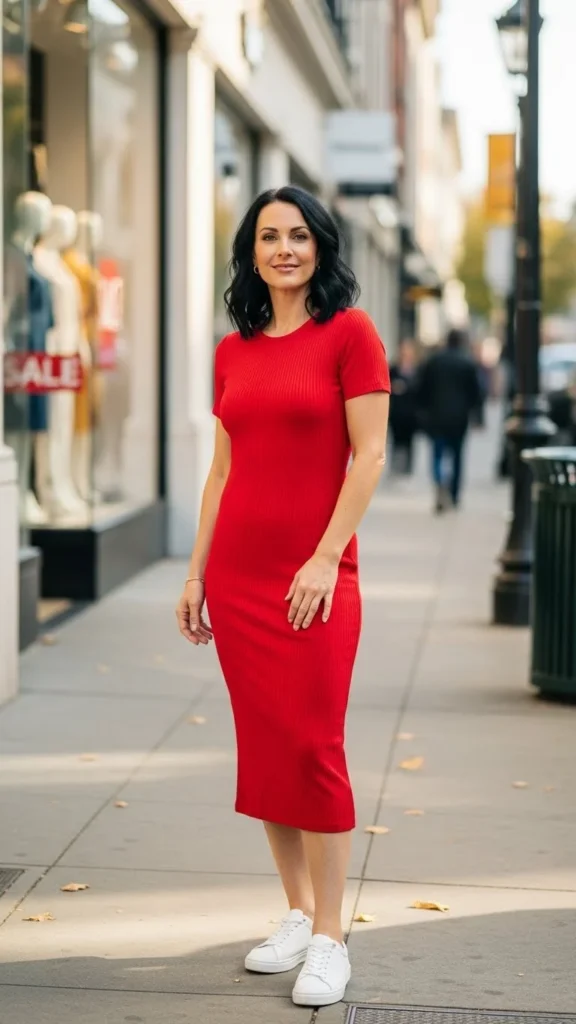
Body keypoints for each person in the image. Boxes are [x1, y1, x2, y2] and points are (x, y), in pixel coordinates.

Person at [176, 185, 390, 1008]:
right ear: (251, 251)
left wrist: (323, 558)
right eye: (269, 236)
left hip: (316, 578)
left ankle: (333, 937)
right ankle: (298, 912)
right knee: (267, 747)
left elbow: (367, 458)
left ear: (320, 246)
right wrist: (197, 572)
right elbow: (222, 472)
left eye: (299, 235)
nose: (285, 249)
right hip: (238, 575)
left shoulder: (351, 335)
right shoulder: (235, 351)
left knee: (313, 746)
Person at [415, 327, 483, 512]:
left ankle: (439, 483)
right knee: (457, 457)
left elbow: (421, 389)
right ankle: (453, 494)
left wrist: (421, 412)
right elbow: (476, 393)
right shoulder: (467, 363)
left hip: (436, 417)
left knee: (437, 455)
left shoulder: (434, 361)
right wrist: (478, 417)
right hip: (459, 419)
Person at [389, 338, 419, 474]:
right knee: (396, 440)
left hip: (411, 412)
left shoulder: (416, 370)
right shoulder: (393, 369)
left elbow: (420, 388)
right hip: (396, 411)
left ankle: (407, 467)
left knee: (409, 442)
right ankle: (395, 466)